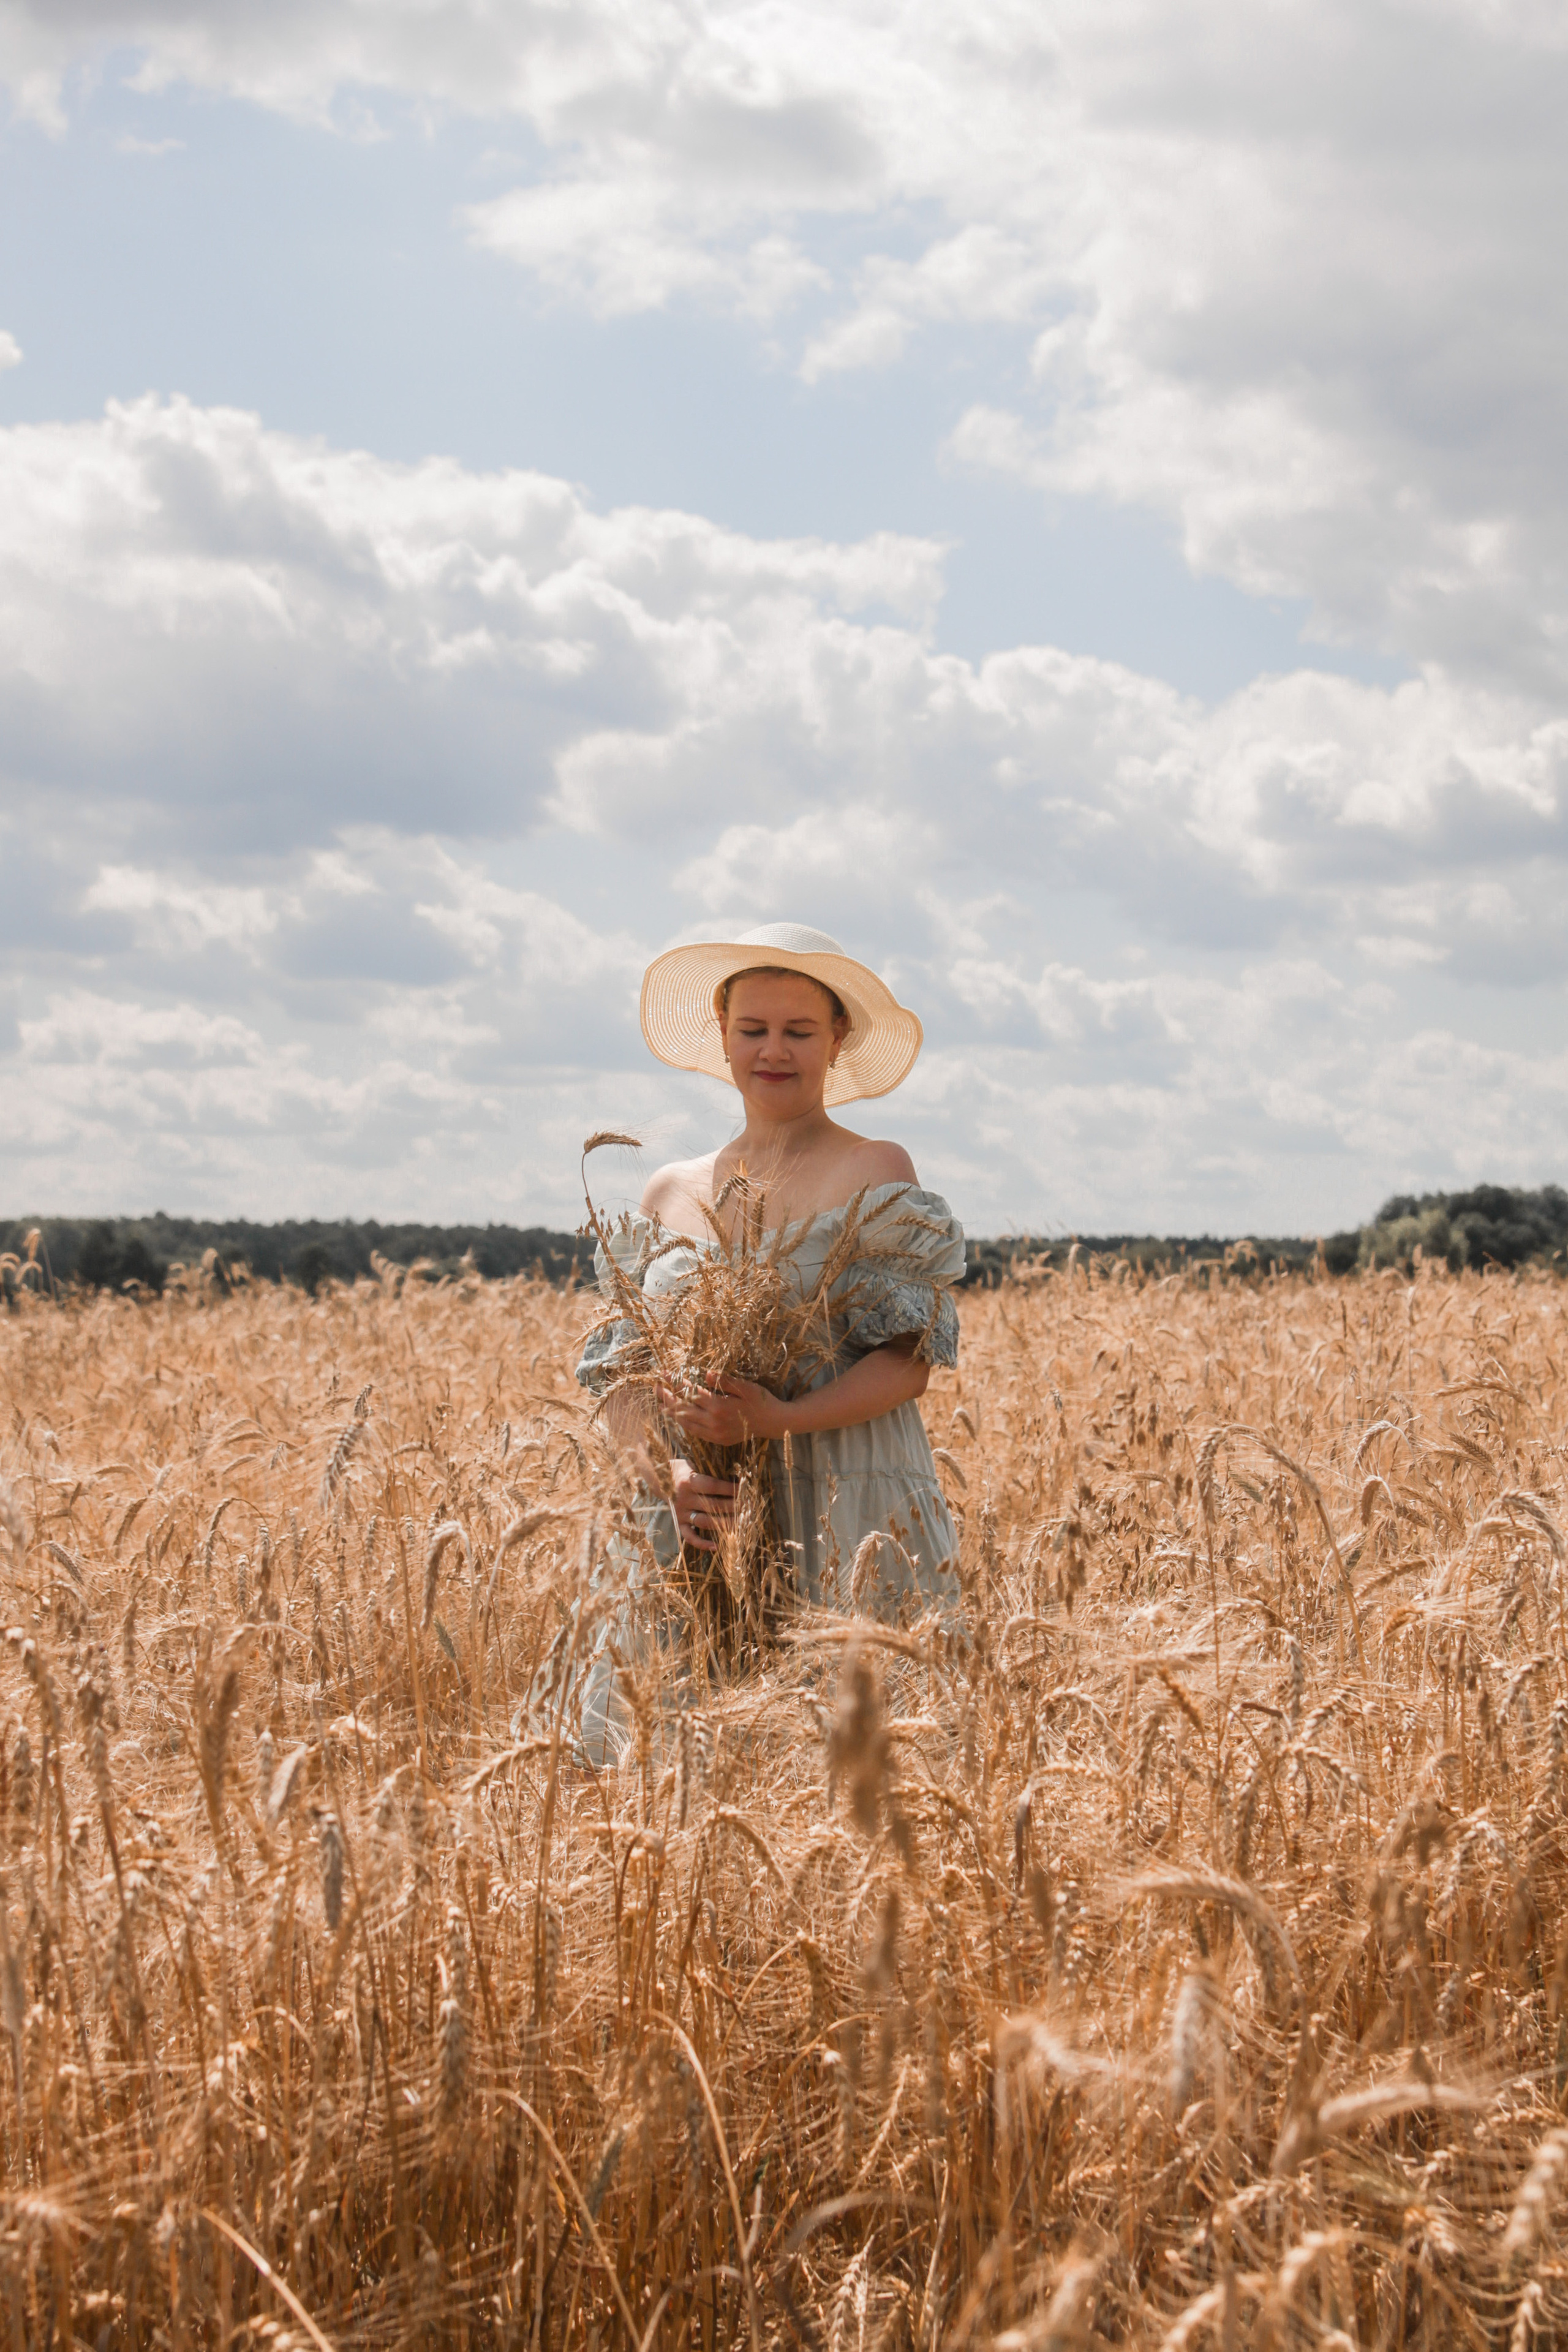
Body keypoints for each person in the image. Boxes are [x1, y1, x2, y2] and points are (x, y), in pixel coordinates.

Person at [566, 922, 966, 1760]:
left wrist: (777, 1421)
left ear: (837, 1040)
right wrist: (669, 1472)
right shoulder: (666, 1190)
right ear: (722, 1036)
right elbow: (623, 1377)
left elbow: (909, 1363)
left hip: (846, 1502)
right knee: (674, 1768)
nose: (773, 1051)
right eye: (753, 1030)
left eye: (798, 1031)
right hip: (694, 1519)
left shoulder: (875, 1168)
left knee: (860, 1772)